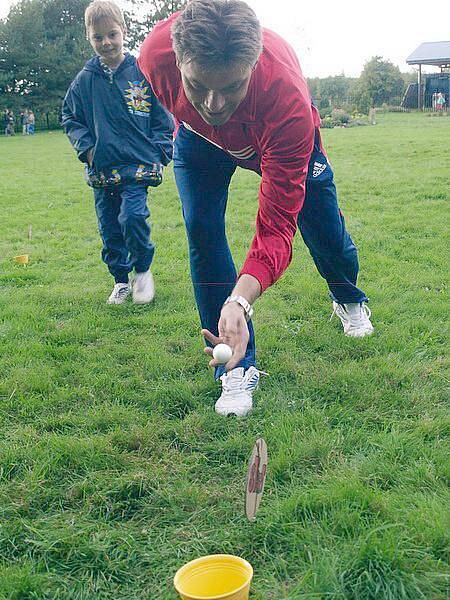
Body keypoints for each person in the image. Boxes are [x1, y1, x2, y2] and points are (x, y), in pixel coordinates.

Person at [138, 0, 374, 416]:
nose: (213, 104)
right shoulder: (153, 56)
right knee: (201, 229)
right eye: (198, 85)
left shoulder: (287, 103)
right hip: (200, 143)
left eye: (231, 87)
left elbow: (275, 227)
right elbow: (193, 109)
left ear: (251, 65)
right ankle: (233, 366)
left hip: (275, 140)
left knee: (322, 229)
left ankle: (347, 296)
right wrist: (232, 306)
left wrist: (243, 297)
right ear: (176, 60)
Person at [62, 0, 174, 305]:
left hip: (138, 166)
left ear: (123, 31)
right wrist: (87, 151)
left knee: (133, 217)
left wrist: (161, 150)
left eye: (112, 34)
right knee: (110, 229)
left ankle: (143, 272)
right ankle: (121, 281)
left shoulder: (142, 73)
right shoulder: (84, 81)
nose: (106, 42)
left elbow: (164, 114)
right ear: (89, 37)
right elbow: (70, 118)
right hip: (102, 169)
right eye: (98, 37)